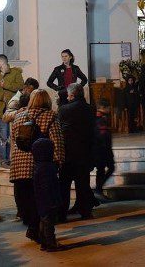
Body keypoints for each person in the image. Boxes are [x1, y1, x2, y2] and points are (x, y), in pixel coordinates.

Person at [9, 89, 65, 243]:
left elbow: (14, 140)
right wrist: (58, 162)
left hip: (19, 166)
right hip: (40, 166)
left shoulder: (19, 116)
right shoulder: (50, 116)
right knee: (43, 202)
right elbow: (57, 142)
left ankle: (34, 229)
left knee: (28, 201)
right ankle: (42, 234)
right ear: (47, 100)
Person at [56, 83, 95, 222]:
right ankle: (86, 212)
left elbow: (59, 130)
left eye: (68, 94)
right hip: (84, 152)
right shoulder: (89, 108)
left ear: (71, 95)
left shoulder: (64, 109)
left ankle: (61, 214)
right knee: (83, 184)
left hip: (68, 152)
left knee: (64, 185)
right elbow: (92, 132)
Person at [0, 55, 24, 170]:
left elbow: (21, 86)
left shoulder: (15, 73)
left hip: (13, 110)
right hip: (0, 110)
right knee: (3, 136)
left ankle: (16, 158)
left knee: (15, 135)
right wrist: (1, 95)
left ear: (2, 63)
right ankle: (4, 160)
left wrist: (5, 85)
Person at [32, 137, 62, 252]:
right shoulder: (47, 167)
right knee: (49, 222)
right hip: (49, 199)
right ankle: (51, 244)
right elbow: (49, 185)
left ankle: (44, 243)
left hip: (41, 199)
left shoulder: (38, 166)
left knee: (44, 220)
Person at [92, 98, 115, 200]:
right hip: (102, 149)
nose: (110, 109)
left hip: (99, 149)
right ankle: (98, 189)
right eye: (108, 107)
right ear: (103, 108)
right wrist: (107, 150)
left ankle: (98, 190)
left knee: (101, 170)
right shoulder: (101, 118)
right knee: (109, 168)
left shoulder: (98, 117)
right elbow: (103, 135)